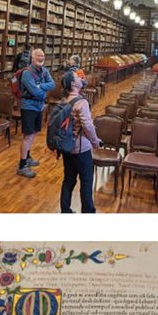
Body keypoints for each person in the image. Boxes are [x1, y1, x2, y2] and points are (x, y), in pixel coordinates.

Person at [55, 69, 99, 214]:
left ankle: (65, 211)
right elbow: (87, 126)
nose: (82, 78)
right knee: (86, 181)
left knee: (68, 179)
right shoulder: (81, 102)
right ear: (73, 83)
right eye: (78, 77)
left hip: (67, 147)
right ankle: (88, 212)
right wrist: (95, 142)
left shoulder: (64, 100)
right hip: (81, 148)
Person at [15, 49, 55, 178]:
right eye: (38, 55)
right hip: (29, 107)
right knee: (28, 135)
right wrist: (42, 88)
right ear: (32, 58)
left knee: (33, 134)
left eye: (42, 55)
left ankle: (27, 157)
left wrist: (39, 86)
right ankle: (22, 166)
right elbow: (34, 92)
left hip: (39, 106)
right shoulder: (27, 73)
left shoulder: (45, 70)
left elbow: (52, 85)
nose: (41, 57)